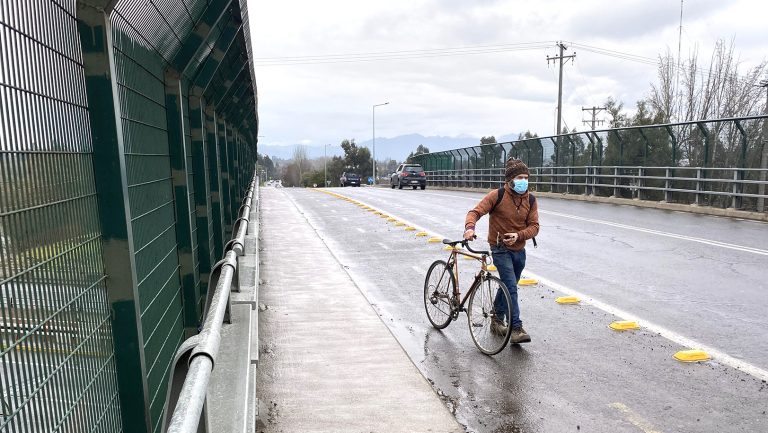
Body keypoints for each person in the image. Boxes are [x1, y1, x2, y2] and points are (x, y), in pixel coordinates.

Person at [463, 158, 539, 344]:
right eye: (520, 177)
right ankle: (516, 328)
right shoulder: (496, 196)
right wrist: (470, 227)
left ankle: (496, 320)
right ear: (510, 179)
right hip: (499, 248)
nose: (524, 181)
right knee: (511, 286)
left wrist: (519, 235)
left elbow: (535, 226)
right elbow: (475, 212)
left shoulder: (530, 199)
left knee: (507, 285)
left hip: (519, 250)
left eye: (526, 177)